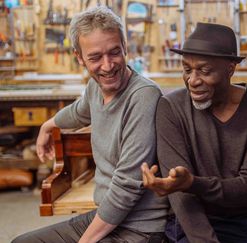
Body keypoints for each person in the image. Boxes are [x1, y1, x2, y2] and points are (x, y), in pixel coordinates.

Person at [13, 6, 169, 243]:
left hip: (140, 228)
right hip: (105, 216)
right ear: (79, 57)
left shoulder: (144, 96)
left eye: (114, 52)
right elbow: (78, 112)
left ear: (125, 47)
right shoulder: (96, 88)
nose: (107, 66)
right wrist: (47, 126)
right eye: (95, 57)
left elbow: (127, 187)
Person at [141, 22, 247, 243]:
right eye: (187, 69)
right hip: (198, 226)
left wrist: (193, 183)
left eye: (205, 71)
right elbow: (181, 197)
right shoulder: (171, 108)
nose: (193, 80)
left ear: (230, 68)